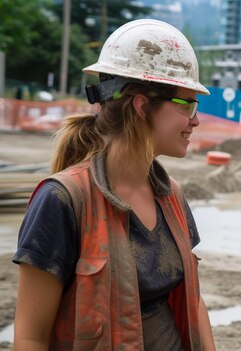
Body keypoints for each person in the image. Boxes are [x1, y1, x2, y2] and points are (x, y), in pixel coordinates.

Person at [12, 19, 216, 350]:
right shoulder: (62, 201)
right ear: (141, 106)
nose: (195, 119)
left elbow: (194, 302)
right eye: (188, 104)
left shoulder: (172, 197)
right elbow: (30, 338)